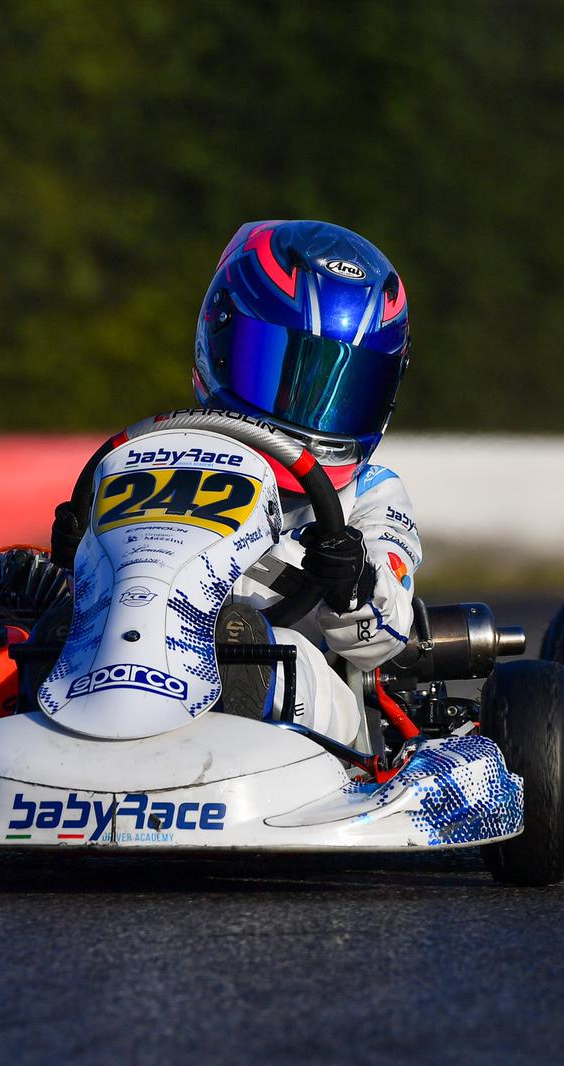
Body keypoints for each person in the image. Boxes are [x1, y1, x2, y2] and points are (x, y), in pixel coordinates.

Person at [188, 219, 421, 744]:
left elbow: (385, 634)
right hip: (137, 658)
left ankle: (246, 678)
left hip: (305, 713)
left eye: (344, 388)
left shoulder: (372, 495)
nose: (309, 413)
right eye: (274, 368)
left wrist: (355, 583)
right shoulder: (161, 458)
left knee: (267, 651)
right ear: (220, 342)